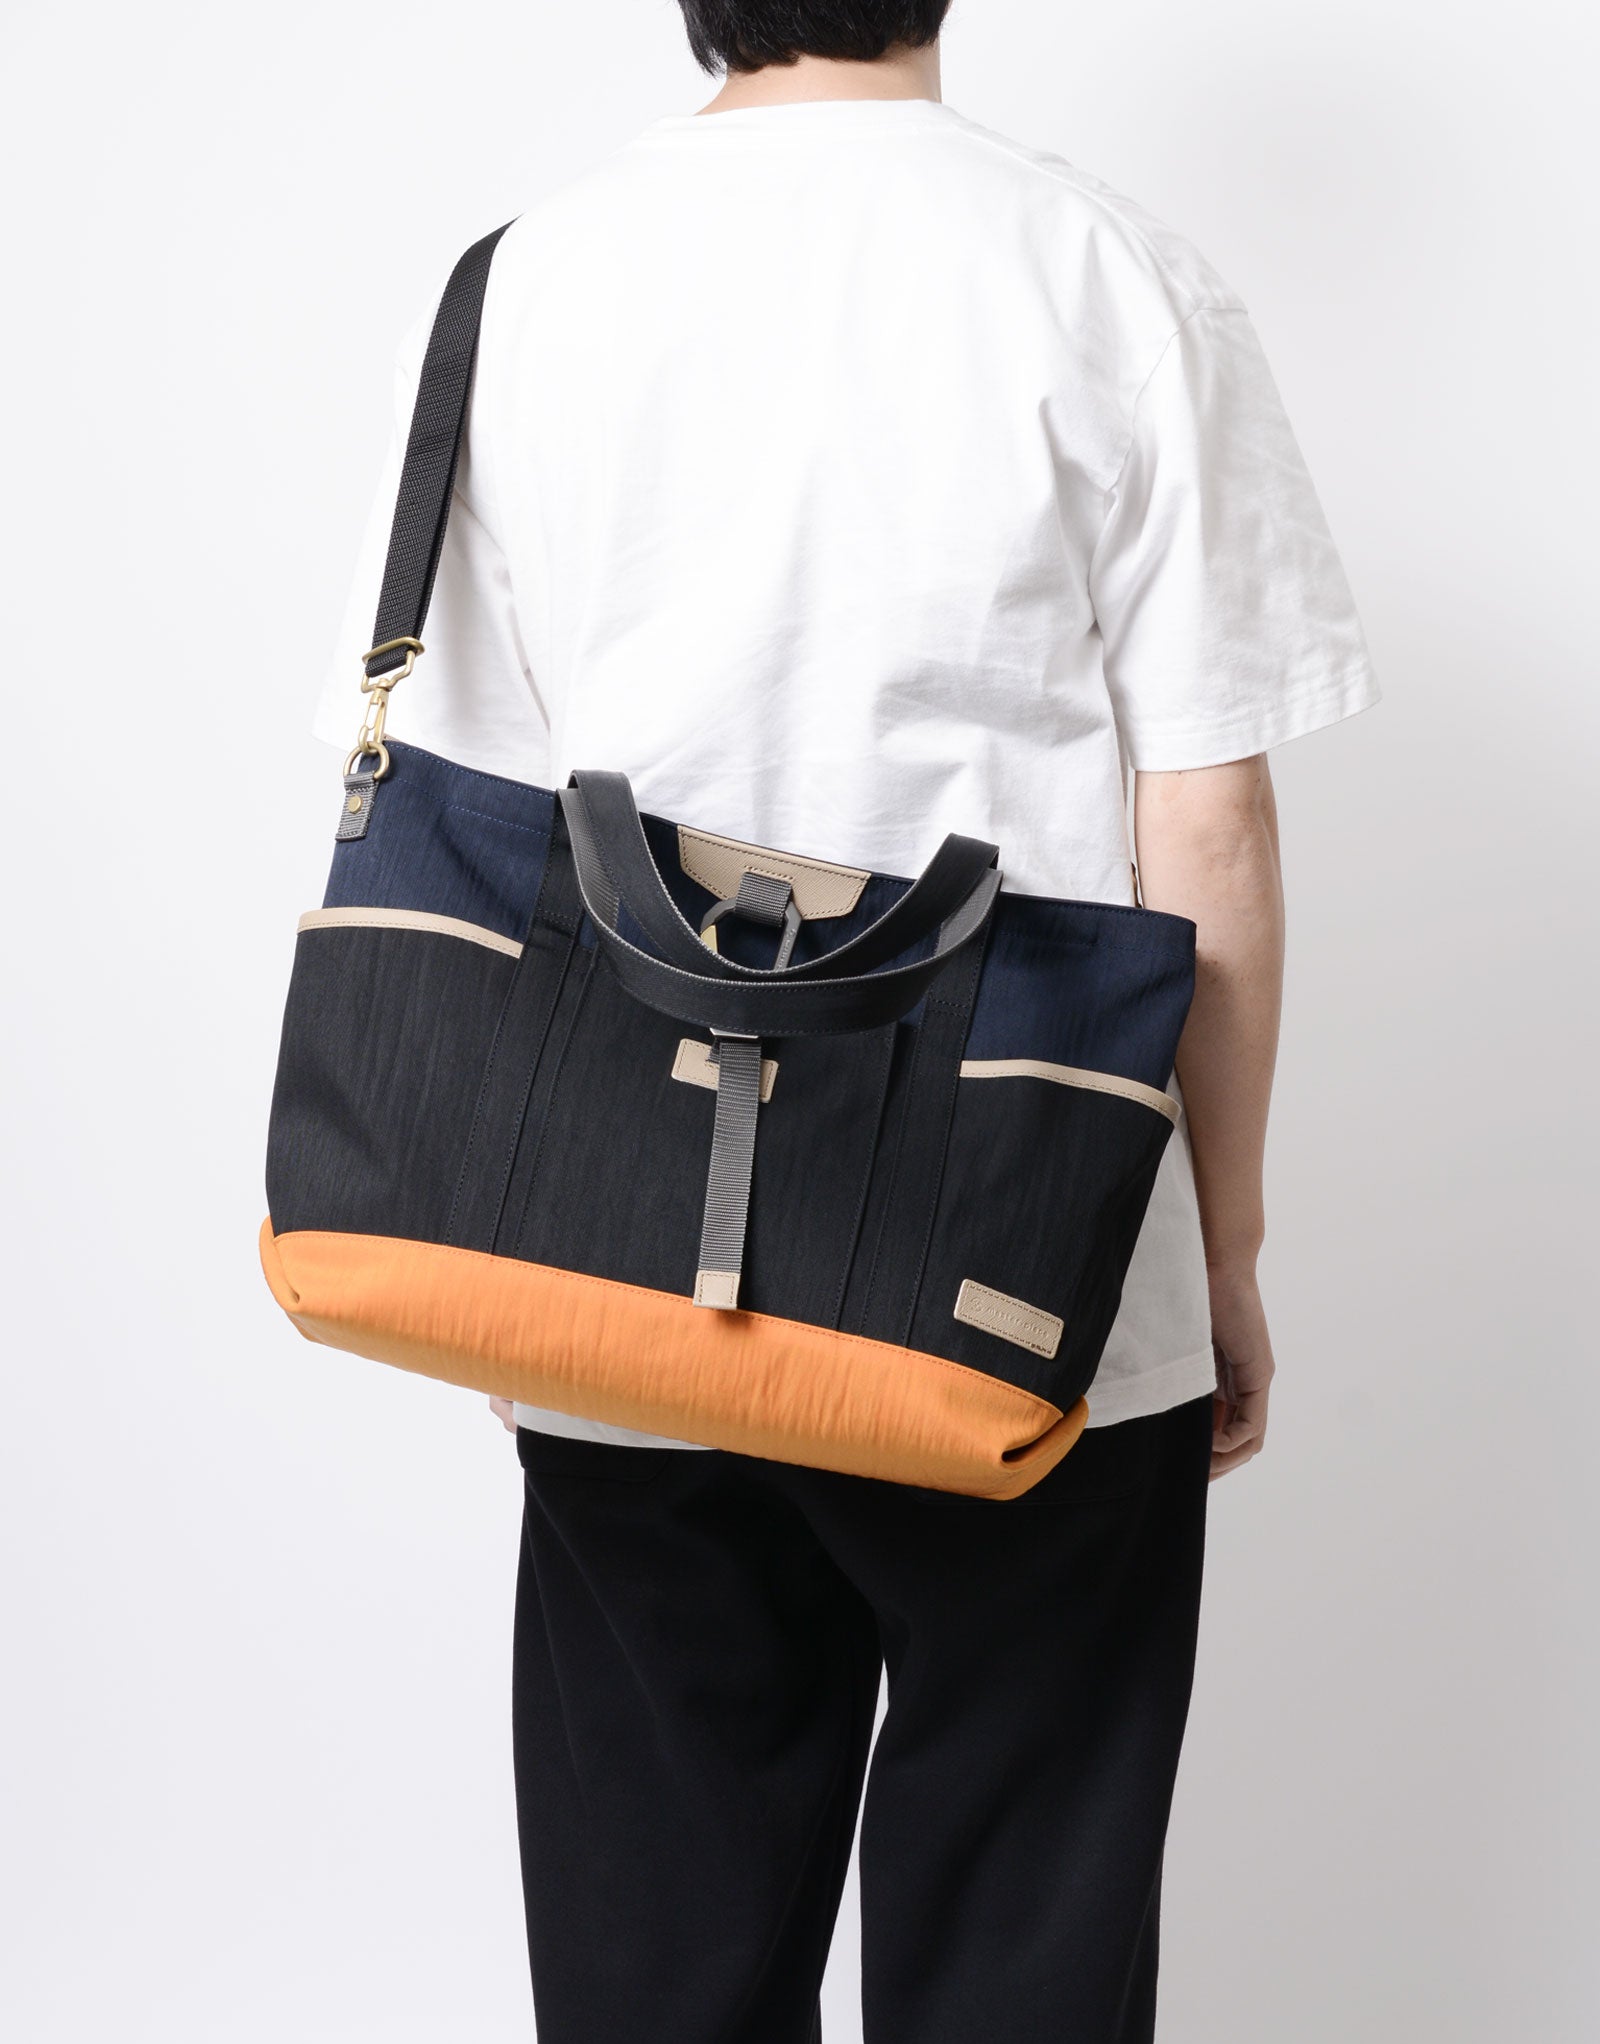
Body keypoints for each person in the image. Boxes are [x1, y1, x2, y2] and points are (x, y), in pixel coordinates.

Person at [317, 5, 1377, 2037]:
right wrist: (1224, 1246)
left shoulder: (518, 281)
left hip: (614, 1238)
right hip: (1028, 1255)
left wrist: (494, 1251)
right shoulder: (1110, 277)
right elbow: (1208, 826)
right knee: (1020, 1941)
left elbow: (477, 810)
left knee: (658, 1945)